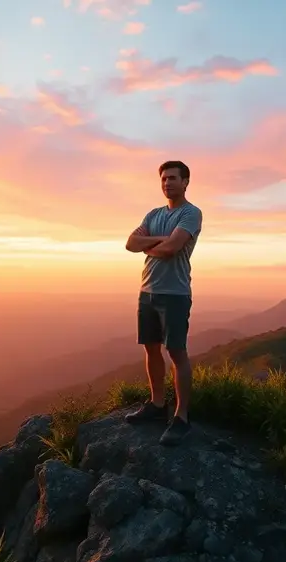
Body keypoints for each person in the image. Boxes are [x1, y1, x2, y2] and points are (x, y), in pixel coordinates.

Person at [123, 160, 203, 446]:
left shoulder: (191, 213)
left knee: (176, 353)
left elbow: (172, 249)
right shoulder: (153, 214)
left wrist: (152, 245)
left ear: (185, 182)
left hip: (175, 293)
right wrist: (161, 241)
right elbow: (130, 243)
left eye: (173, 178)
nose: (167, 183)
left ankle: (181, 417)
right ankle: (157, 405)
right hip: (148, 291)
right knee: (151, 349)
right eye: (163, 179)